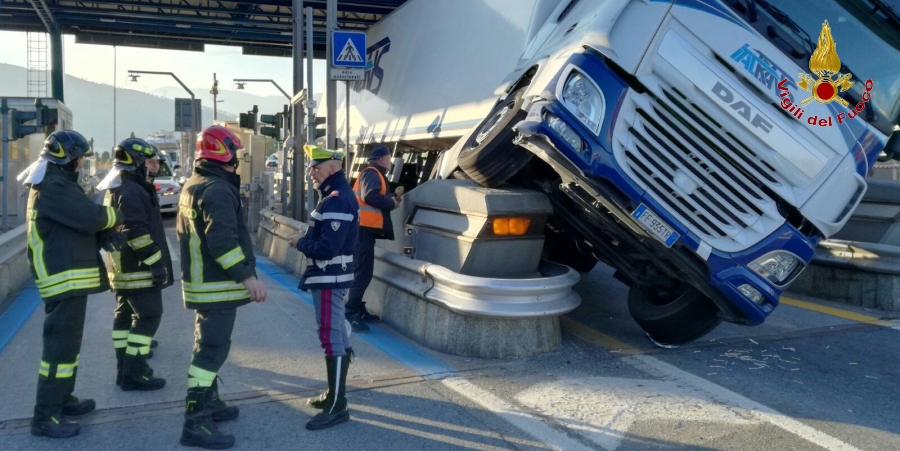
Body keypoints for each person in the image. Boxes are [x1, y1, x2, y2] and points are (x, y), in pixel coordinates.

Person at [19, 130, 125, 438]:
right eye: (78, 159)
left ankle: (62, 399)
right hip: (60, 279)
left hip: (68, 279)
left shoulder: (57, 184)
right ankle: (45, 416)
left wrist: (105, 231)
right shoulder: (53, 187)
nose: (80, 164)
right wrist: (115, 214)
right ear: (65, 159)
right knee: (58, 350)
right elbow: (89, 216)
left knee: (68, 347)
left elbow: (82, 222)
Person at [176, 125, 267, 449]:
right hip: (217, 286)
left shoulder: (194, 184)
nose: (238, 160)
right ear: (225, 153)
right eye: (235, 153)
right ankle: (195, 422)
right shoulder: (216, 189)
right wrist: (249, 278)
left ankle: (210, 404)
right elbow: (223, 243)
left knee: (207, 347)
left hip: (203, 285)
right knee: (210, 352)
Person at [289, 144, 359, 431]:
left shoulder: (337, 198)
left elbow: (326, 249)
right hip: (329, 277)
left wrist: (299, 242)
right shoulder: (332, 196)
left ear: (333, 167)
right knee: (334, 336)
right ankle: (334, 395)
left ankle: (337, 406)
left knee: (331, 339)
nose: (311, 173)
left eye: (315, 167)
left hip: (330, 276)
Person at [98, 138, 172, 391]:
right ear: (136, 163)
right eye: (149, 162)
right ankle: (135, 371)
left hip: (121, 268)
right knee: (149, 316)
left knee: (124, 316)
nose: (153, 166)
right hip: (138, 269)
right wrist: (156, 262)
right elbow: (136, 232)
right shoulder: (131, 190)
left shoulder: (121, 186)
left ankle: (123, 371)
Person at [345, 145, 403, 332]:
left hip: (363, 230)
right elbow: (371, 196)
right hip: (363, 230)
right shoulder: (371, 173)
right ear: (381, 160)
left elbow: (374, 194)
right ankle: (351, 312)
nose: (390, 162)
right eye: (388, 158)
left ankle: (358, 307)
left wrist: (391, 196)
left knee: (364, 272)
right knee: (362, 272)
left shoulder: (372, 173)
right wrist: (392, 203)